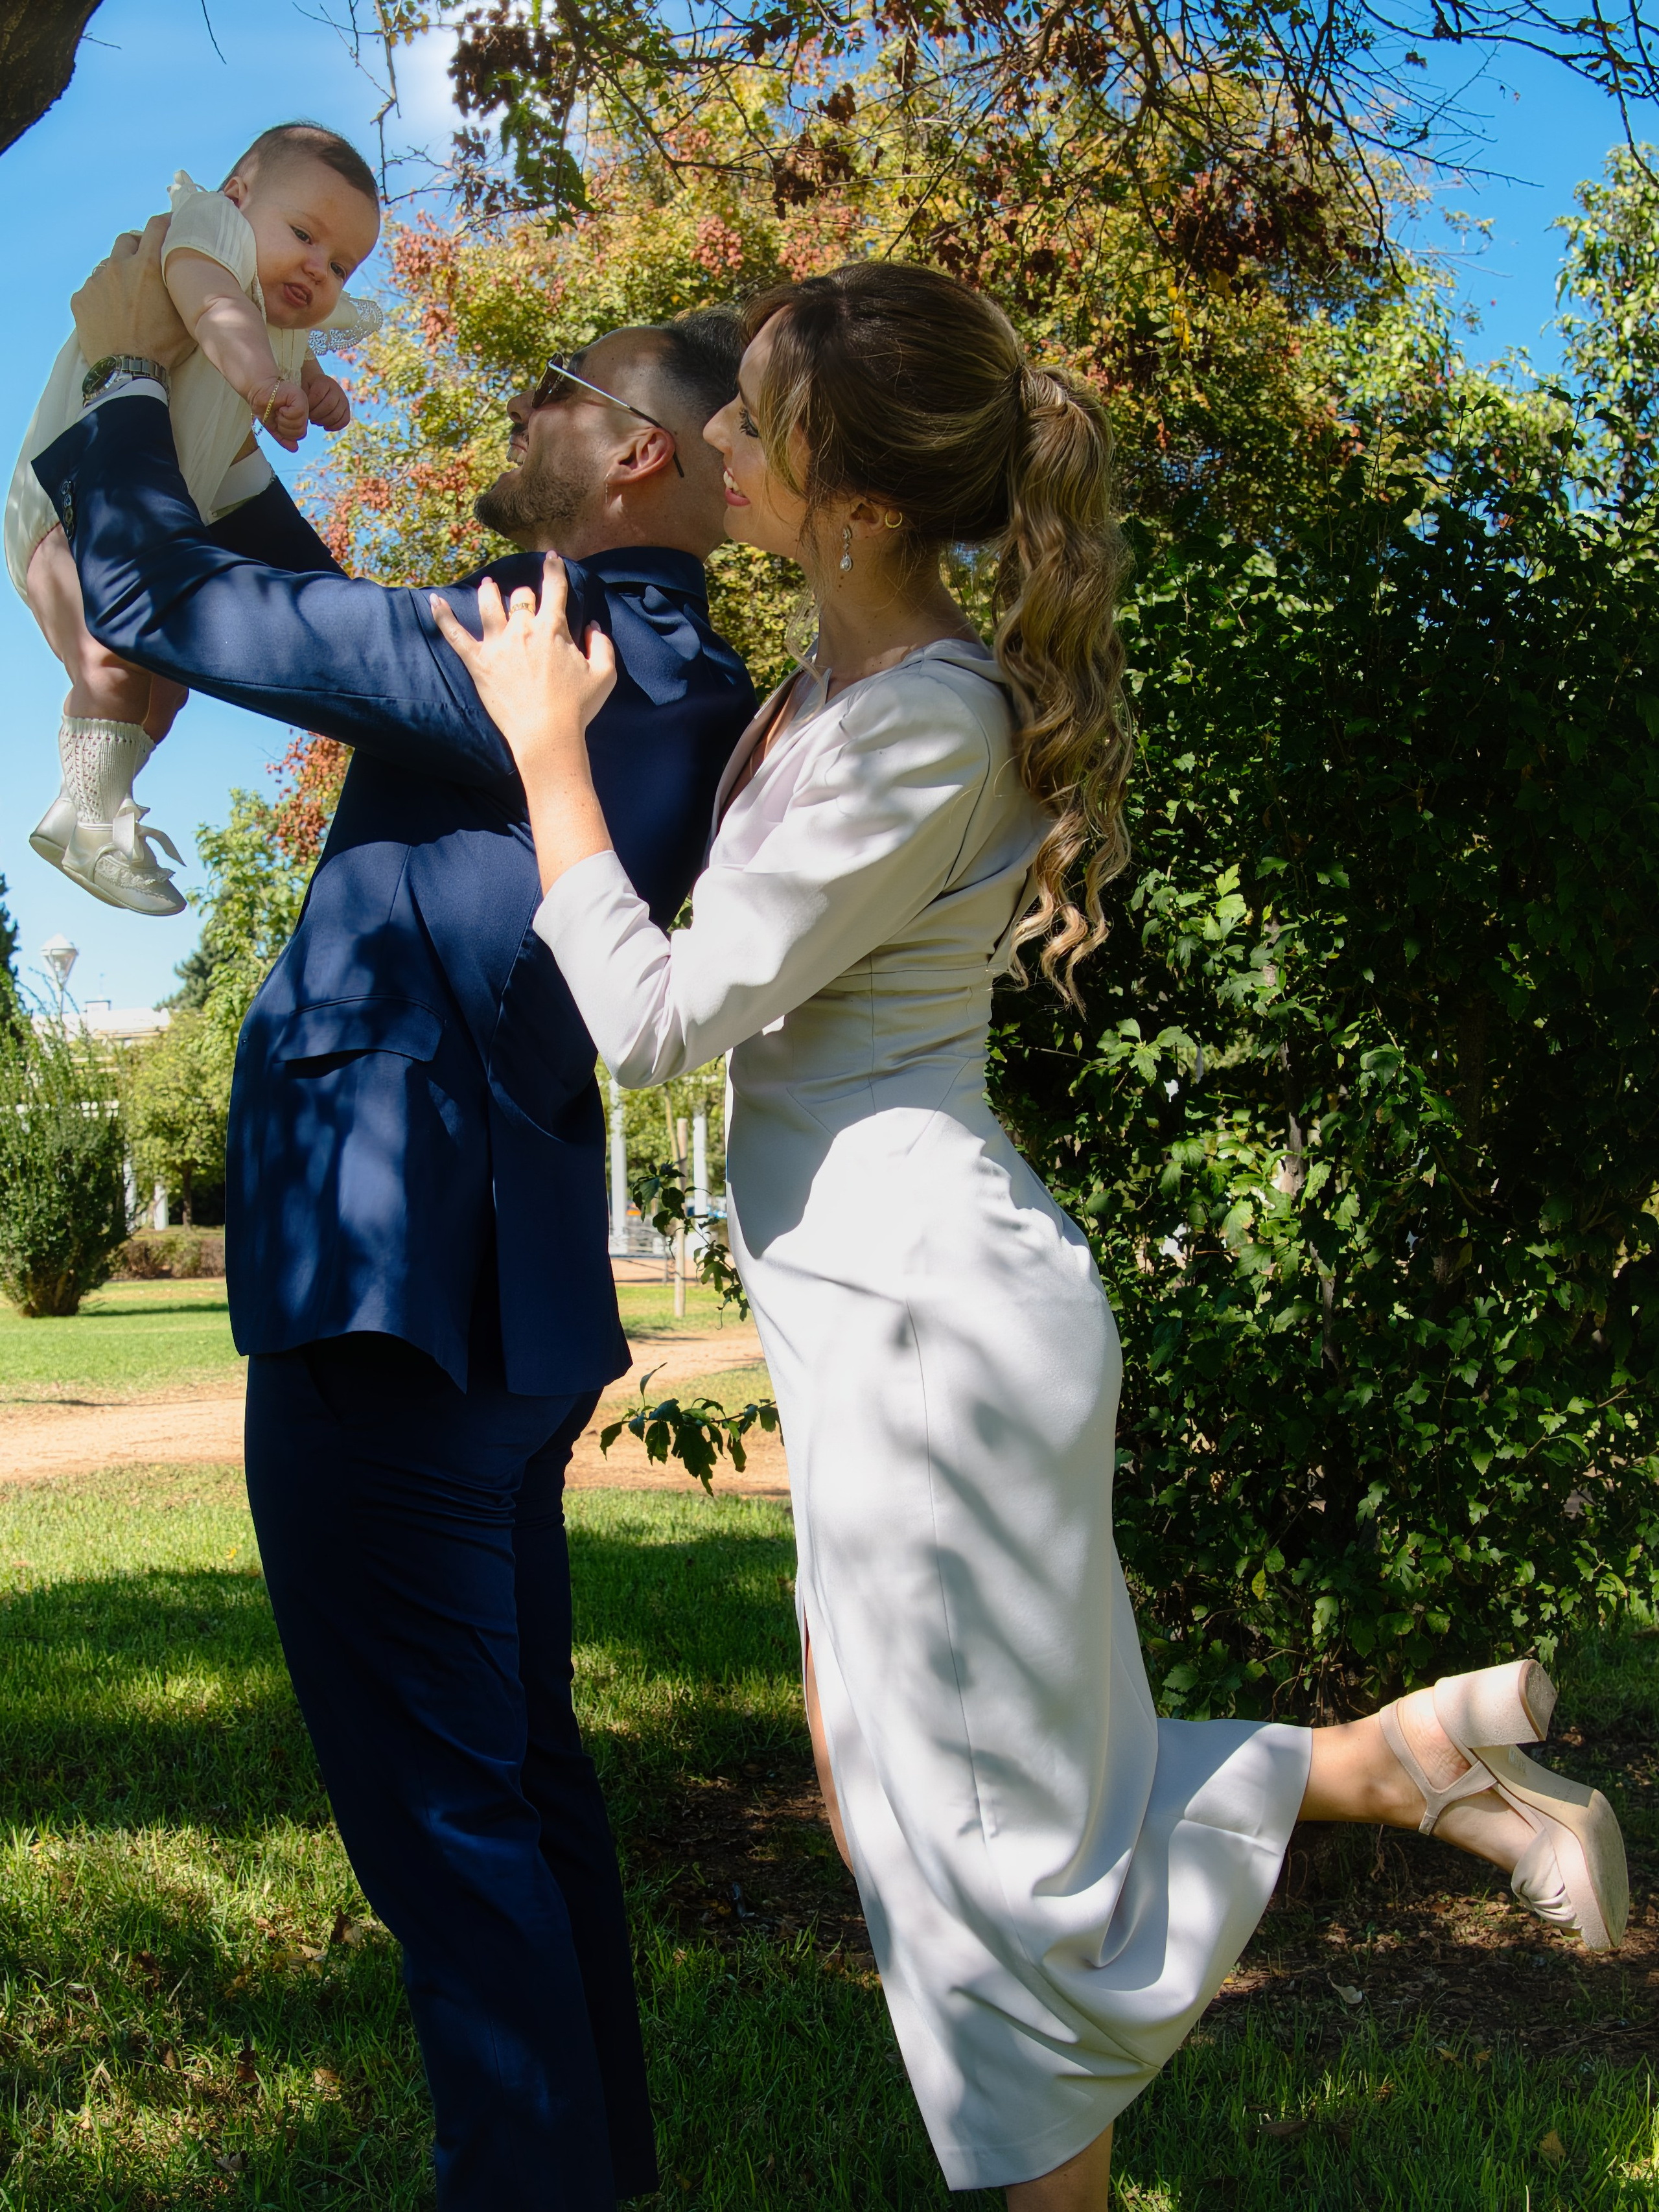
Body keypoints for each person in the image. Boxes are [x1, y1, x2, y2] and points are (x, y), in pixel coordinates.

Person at [432, 259, 1630, 2210]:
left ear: (862, 501)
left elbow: (657, 1019)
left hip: (932, 1336)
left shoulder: (931, 723)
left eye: (756, 419)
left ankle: (1399, 1783)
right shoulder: (824, 698)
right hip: (881, 1331)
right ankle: (1406, 1762)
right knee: (895, 1819)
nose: (718, 440)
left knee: (976, 1880)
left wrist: (542, 748)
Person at [35, 221, 756, 2208]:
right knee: (518, 1788)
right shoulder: (653, 660)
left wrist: (109, 374)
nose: (516, 413)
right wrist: (223, 415)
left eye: (556, 396)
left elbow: (167, 598)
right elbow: (316, 615)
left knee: (446, 1821)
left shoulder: (557, 640)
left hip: (391, 1298)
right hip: (490, 1304)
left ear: (635, 461)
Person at [6, 121, 384, 916]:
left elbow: (280, 348)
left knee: (168, 685)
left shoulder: (282, 317)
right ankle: (92, 827)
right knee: (111, 660)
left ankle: (86, 804)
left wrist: (313, 387)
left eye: (341, 264)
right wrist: (258, 384)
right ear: (238, 199)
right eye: (305, 234)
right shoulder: (203, 235)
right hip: (65, 500)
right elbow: (215, 307)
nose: (319, 267)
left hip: (163, 510)